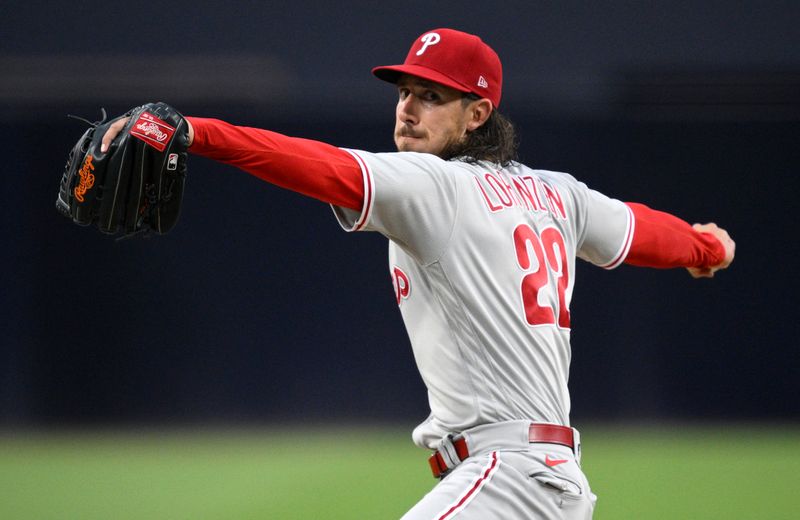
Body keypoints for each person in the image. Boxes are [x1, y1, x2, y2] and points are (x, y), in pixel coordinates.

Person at [102, 28, 734, 520]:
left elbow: (321, 166)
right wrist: (703, 248)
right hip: (549, 479)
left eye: (432, 97)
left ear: (477, 114)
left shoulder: (436, 184)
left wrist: (193, 132)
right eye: (404, 91)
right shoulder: (555, 194)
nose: (407, 109)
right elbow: (638, 229)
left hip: (508, 478)